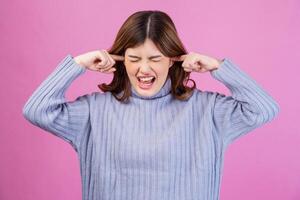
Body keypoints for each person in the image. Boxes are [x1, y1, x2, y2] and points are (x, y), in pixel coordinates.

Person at [22, 10, 279, 200]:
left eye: (155, 58)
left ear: (173, 60)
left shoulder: (207, 110)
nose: (144, 69)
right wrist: (77, 64)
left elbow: (263, 109)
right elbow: (37, 110)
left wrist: (219, 67)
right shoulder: (94, 112)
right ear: (121, 60)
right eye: (134, 58)